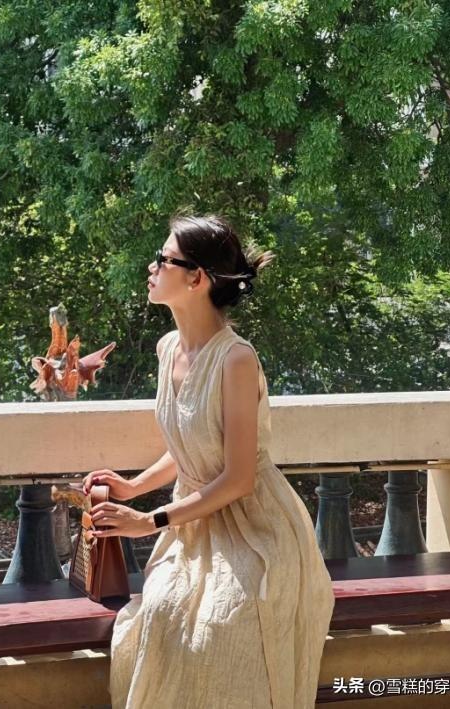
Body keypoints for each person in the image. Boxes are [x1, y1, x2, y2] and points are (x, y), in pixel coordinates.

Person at [82, 214, 335, 708]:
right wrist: (134, 487)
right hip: (194, 527)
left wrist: (148, 520)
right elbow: (191, 444)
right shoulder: (167, 348)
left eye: (164, 259)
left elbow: (238, 478)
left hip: (255, 530)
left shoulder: (236, 359)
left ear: (196, 278)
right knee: (161, 616)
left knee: (223, 628)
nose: (152, 267)